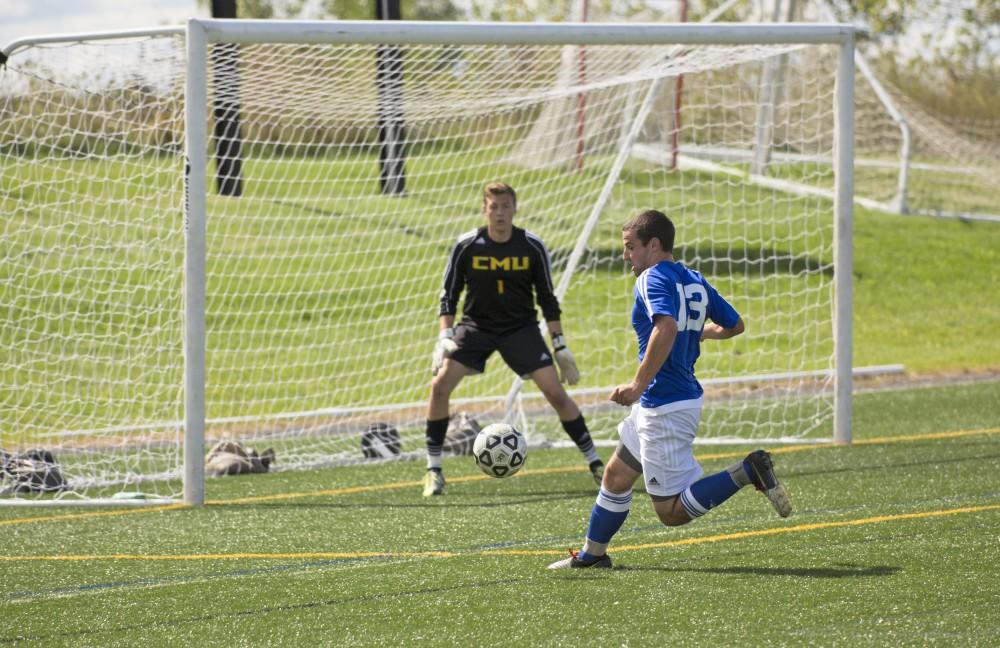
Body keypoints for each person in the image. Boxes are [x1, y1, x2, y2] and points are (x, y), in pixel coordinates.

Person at [548, 209, 791, 569]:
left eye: (631, 247)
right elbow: (734, 325)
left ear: (654, 245)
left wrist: (636, 384)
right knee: (617, 475)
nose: (626, 255)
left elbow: (665, 328)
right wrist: (695, 333)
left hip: (664, 405)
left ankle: (746, 471)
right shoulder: (693, 279)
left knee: (671, 512)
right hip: (665, 402)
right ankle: (592, 555)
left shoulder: (650, 278)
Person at [423, 182, 604, 496]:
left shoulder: (531, 246)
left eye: (506, 206)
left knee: (557, 395)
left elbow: (547, 298)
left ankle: (596, 464)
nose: (500, 213)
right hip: (476, 328)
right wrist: (444, 336)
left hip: (521, 330)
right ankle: (433, 470)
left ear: (515, 209)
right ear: (484, 209)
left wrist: (559, 344)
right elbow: (448, 296)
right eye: (494, 206)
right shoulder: (467, 245)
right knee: (439, 386)